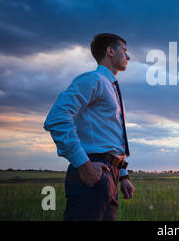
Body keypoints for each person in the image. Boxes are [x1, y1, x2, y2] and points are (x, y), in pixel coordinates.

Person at [43, 33, 134, 221]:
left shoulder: (111, 87)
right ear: (110, 51)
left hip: (110, 173)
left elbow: (112, 136)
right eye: (124, 51)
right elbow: (57, 118)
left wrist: (123, 175)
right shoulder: (93, 80)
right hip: (93, 170)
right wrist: (84, 166)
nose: (128, 57)